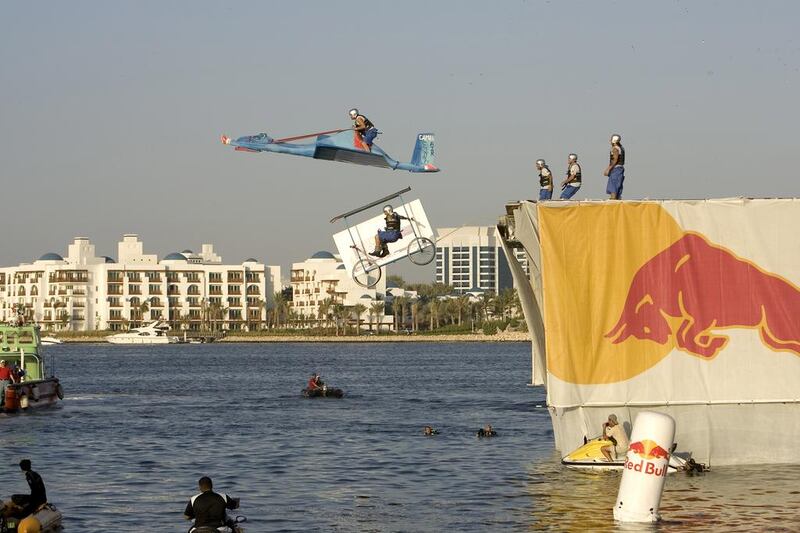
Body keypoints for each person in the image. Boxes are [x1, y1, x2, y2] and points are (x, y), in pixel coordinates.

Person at [603, 134, 625, 199]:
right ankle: (617, 198)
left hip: (616, 169)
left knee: (613, 185)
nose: (609, 141)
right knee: (618, 185)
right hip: (619, 168)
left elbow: (615, 160)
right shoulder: (621, 148)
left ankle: (613, 199)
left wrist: (608, 169)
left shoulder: (615, 149)